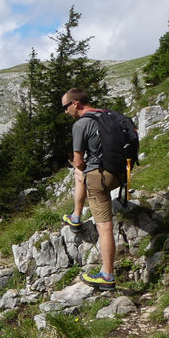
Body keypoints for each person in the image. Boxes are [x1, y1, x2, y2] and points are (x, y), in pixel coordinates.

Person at [61, 88, 120, 291]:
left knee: (104, 228)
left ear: (75, 104)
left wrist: (82, 166)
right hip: (121, 174)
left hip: (99, 179)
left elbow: (78, 162)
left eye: (65, 107)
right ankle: (75, 216)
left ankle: (107, 276)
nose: (65, 111)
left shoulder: (81, 124)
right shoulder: (108, 115)